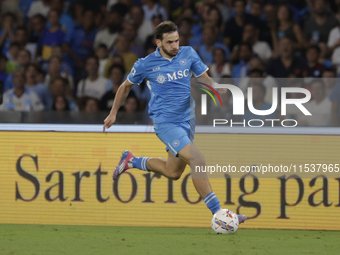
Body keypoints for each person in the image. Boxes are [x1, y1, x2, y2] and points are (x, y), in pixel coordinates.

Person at [103, 21, 247, 222]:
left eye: (177, 40)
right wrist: (113, 113)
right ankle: (220, 214)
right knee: (198, 160)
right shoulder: (145, 64)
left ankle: (131, 160)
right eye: (170, 42)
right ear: (158, 42)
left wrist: (216, 86)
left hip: (188, 120)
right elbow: (125, 87)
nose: (175, 46)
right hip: (165, 123)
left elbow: (203, 77)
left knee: (173, 172)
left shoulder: (187, 53)